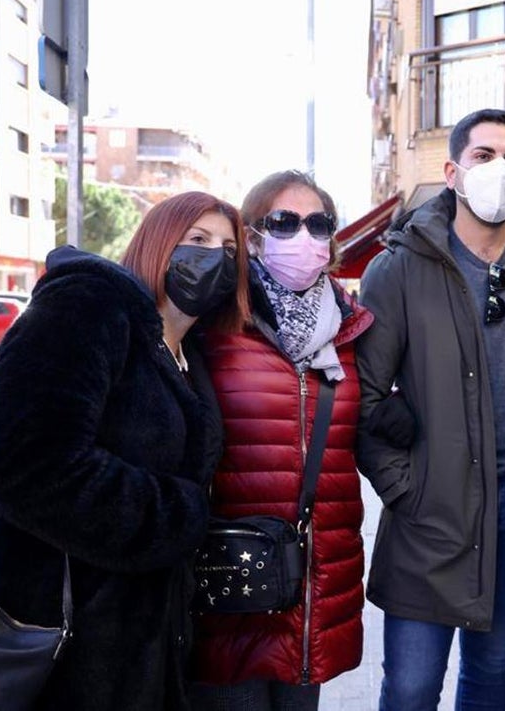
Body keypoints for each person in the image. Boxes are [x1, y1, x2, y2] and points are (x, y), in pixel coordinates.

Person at [0, 191, 251, 710]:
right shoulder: (88, 306)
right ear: (157, 242)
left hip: (133, 654)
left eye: (228, 250)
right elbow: (21, 460)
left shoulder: (187, 355)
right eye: (197, 240)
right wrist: (175, 517)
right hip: (50, 640)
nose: (212, 257)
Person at [355, 108, 505, 710]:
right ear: (453, 172)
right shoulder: (398, 268)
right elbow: (367, 398)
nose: (500, 170)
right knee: (411, 686)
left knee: (491, 672)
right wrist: (408, 490)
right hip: (432, 506)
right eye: (484, 157)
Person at [189, 170, 374, 710]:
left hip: (313, 586)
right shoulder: (213, 320)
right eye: (284, 221)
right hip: (228, 587)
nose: (303, 236)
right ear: (251, 236)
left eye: (318, 223)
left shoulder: (350, 329)